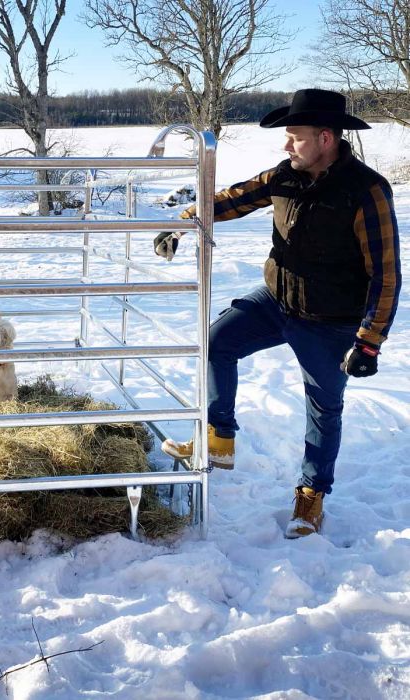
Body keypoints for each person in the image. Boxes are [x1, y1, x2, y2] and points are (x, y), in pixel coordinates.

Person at [154, 89, 402, 538]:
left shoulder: (366, 190)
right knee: (215, 342)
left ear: (325, 138)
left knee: (324, 407)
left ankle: (311, 496)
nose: (287, 146)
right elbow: (230, 199)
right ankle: (218, 439)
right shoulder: (284, 177)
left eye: (295, 137)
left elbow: (386, 273)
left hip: (332, 321)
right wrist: (184, 220)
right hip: (276, 300)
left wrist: (369, 341)